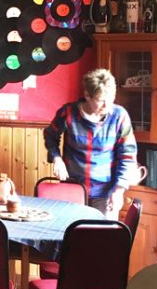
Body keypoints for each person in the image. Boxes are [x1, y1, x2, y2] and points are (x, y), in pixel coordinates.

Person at [43, 68, 138, 218]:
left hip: (107, 192)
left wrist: (119, 190)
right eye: (101, 100)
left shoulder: (120, 116)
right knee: (72, 235)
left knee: (102, 237)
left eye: (111, 98)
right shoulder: (68, 113)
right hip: (74, 188)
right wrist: (57, 158)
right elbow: (50, 135)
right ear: (87, 95)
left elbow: (128, 156)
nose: (107, 106)